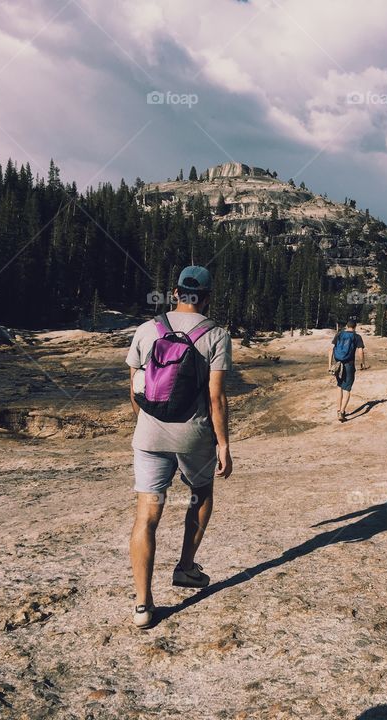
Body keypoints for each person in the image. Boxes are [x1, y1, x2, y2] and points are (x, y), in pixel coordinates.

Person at [125, 265, 233, 629]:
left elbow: (135, 390)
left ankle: (142, 604)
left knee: (146, 516)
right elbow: (216, 399)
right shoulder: (215, 334)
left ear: (175, 293)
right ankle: (186, 567)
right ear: (206, 297)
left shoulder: (146, 329)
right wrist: (223, 444)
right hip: (193, 436)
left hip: (149, 436)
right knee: (201, 495)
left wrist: (149, 423)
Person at [328, 318, 367, 422]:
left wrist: (329, 365)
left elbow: (330, 349)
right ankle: (342, 412)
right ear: (355, 327)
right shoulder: (357, 336)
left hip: (337, 364)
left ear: (347, 326)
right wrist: (362, 363)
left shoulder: (339, 334)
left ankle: (338, 409)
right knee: (347, 389)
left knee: (339, 386)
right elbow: (360, 351)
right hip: (349, 365)